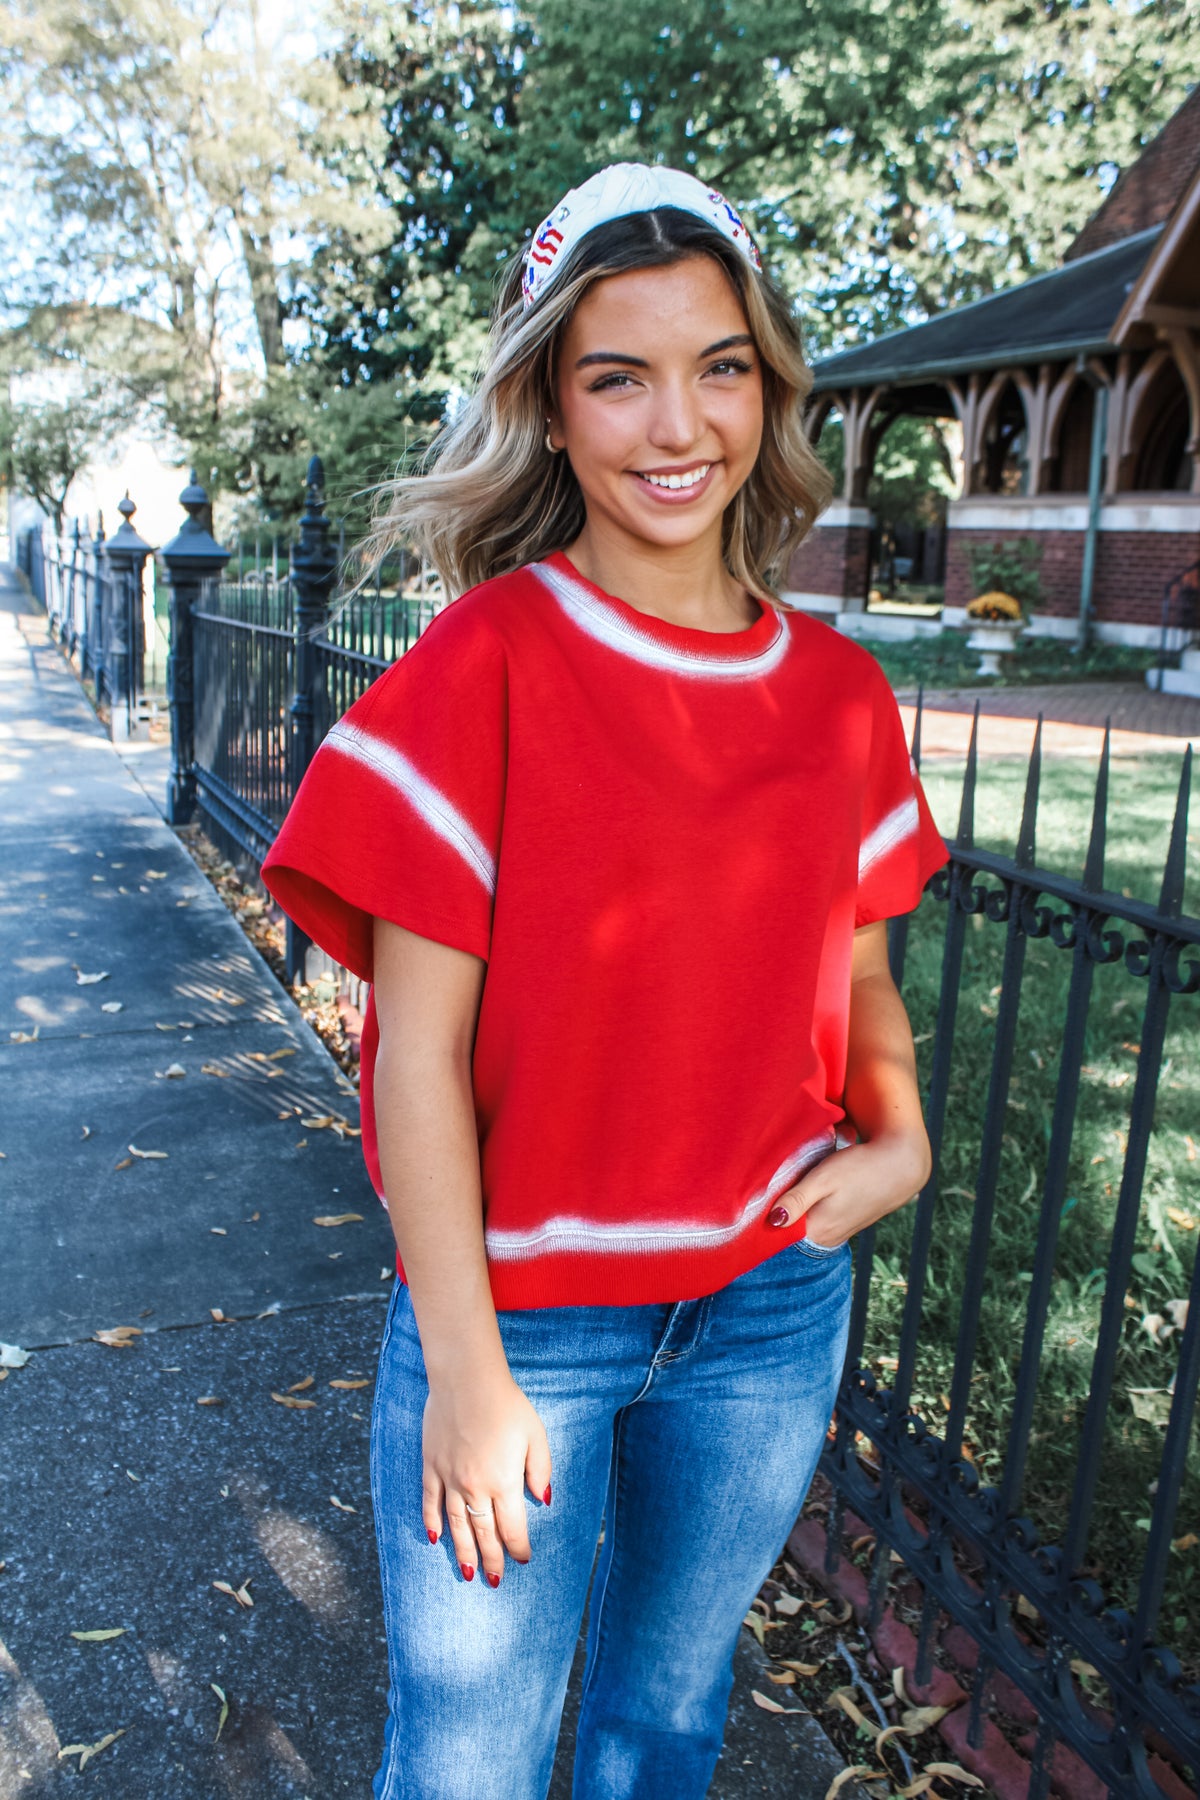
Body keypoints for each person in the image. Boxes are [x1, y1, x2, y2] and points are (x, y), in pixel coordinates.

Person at [262, 162, 948, 1800]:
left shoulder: (840, 698)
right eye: (616, 375)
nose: (675, 424)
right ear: (550, 412)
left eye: (718, 366)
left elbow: (857, 978)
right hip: (524, 1328)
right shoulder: (486, 664)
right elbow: (409, 1053)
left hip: (770, 1306)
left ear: (768, 390)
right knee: (471, 1762)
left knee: (665, 1727)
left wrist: (901, 1138)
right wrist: (474, 1369)